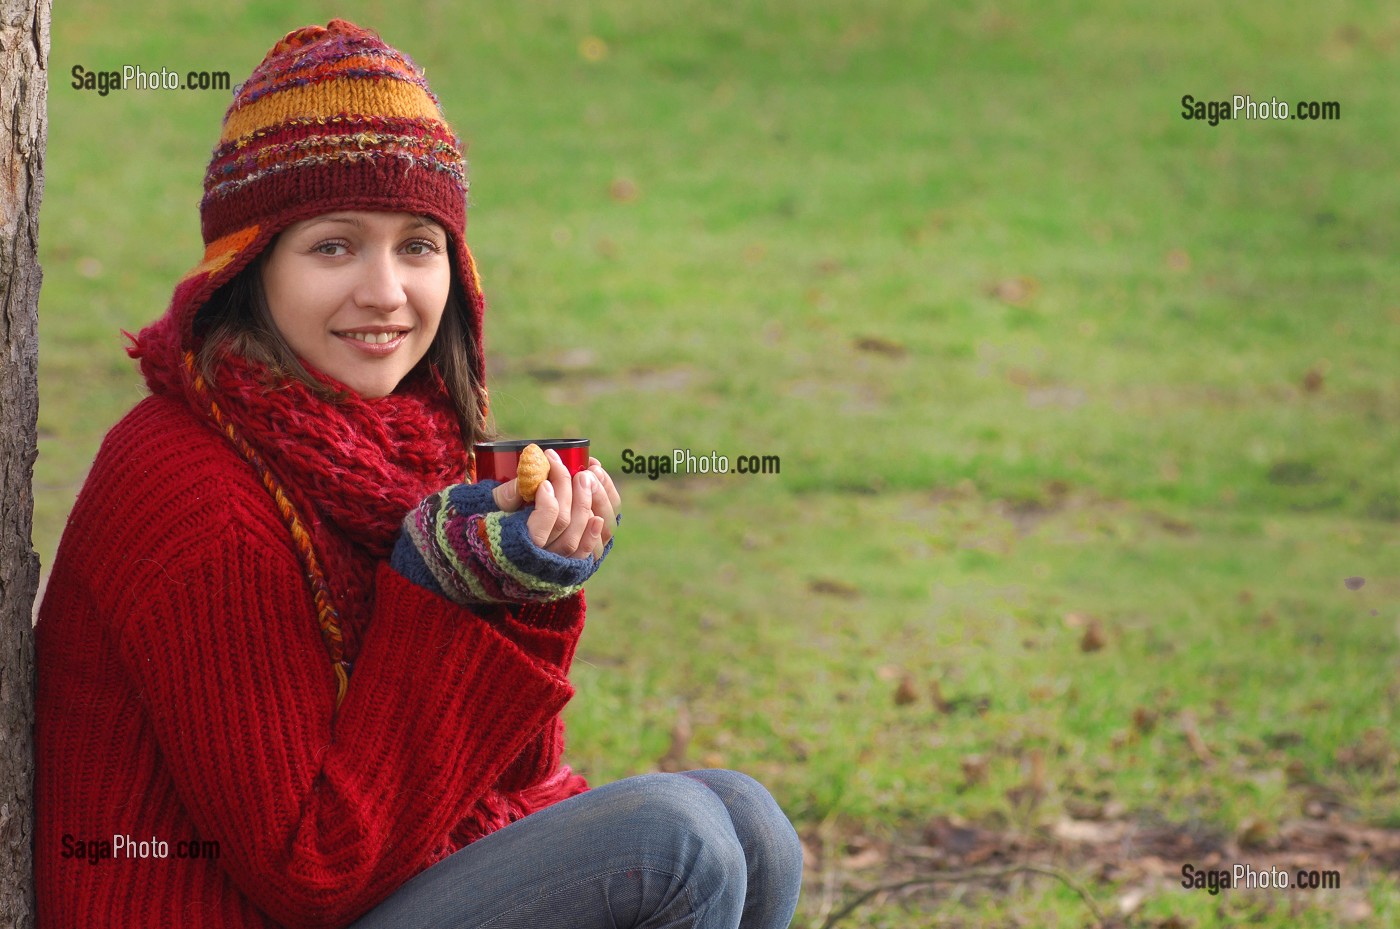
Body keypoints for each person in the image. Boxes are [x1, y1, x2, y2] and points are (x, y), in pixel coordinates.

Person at [34, 19, 803, 929]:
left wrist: (525, 585)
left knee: (750, 822)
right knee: (676, 840)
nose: (386, 291)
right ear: (249, 265)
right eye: (333, 245)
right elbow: (312, 869)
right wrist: (439, 594)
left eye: (418, 245)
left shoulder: (400, 445)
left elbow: (509, 782)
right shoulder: (198, 490)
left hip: (366, 885)